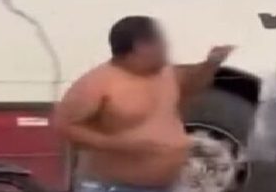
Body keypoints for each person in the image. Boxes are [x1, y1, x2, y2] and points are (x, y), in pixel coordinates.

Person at [53, 16, 234, 192]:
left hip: (167, 185)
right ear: (142, 46)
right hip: (112, 186)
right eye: (161, 43)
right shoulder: (97, 83)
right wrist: (117, 144)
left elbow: (193, 85)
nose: (167, 49)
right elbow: (64, 126)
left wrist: (211, 64)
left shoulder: (166, 73)